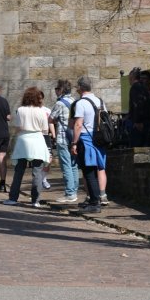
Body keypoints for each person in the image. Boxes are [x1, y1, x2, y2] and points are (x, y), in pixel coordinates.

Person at [4, 87, 51, 207]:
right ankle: (35, 200)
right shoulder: (42, 111)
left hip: (23, 140)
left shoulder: (20, 110)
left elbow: (18, 127)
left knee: (18, 172)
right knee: (37, 172)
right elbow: (45, 129)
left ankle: (13, 198)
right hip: (38, 140)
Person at [69, 76, 107, 213]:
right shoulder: (100, 101)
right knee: (96, 170)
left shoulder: (81, 103)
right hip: (99, 140)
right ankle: (93, 200)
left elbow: (78, 124)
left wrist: (74, 143)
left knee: (89, 172)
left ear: (80, 88)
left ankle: (95, 202)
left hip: (86, 139)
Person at [49, 79, 79, 204]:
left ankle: (70, 193)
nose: (55, 91)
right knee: (74, 166)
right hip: (73, 138)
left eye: (57, 89)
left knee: (66, 166)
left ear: (61, 90)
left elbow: (50, 119)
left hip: (62, 137)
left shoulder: (59, 104)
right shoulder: (75, 102)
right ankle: (74, 191)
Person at [126, 67, 150, 147]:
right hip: (145, 121)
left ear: (132, 77)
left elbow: (138, 104)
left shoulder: (135, 87)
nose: (128, 80)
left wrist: (138, 121)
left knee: (137, 146)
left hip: (140, 123)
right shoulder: (143, 87)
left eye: (129, 77)